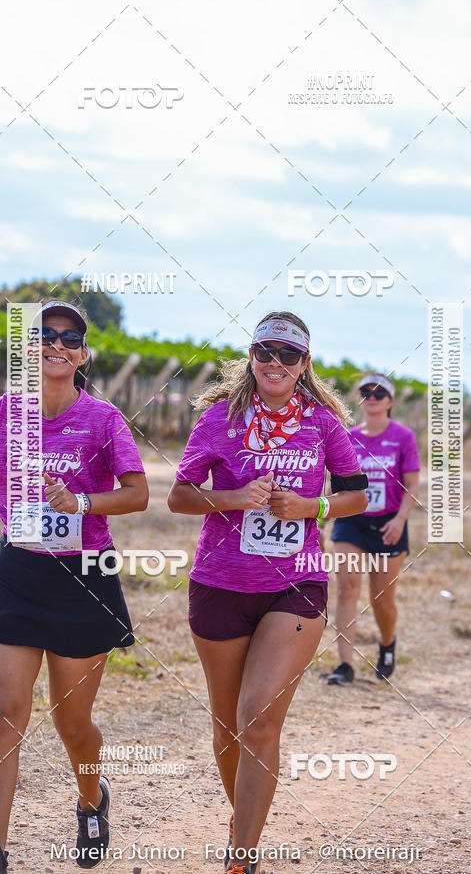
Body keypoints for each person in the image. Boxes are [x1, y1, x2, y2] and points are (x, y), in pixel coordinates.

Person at [0, 300, 148, 873]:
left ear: (83, 354)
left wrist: (81, 501)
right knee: (3, 714)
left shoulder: (104, 419)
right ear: (30, 350)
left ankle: (91, 799)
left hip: (85, 577)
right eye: (43, 335)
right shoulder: (5, 410)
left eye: (68, 337)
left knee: (71, 723)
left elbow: (137, 494)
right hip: (17, 570)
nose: (55, 343)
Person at [167, 311, 368, 874]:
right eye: (264, 351)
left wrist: (312, 507)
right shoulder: (218, 420)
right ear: (251, 358)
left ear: (305, 364)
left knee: (258, 718)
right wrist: (231, 498)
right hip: (219, 583)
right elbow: (180, 498)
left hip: (297, 584)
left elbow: (357, 496)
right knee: (228, 725)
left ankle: (242, 857)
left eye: (287, 353)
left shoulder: (323, 424)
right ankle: (244, 818)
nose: (274, 362)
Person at [327, 373, 420, 686]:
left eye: (380, 392)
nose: (372, 396)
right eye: (366, 391)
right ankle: (344, 665)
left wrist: (399, 520)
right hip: (352, 521)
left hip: (388, 524)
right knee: (346, 588)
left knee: (381, 599)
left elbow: (413, 485)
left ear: (391, 401)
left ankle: (387, 643)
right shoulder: (349, 437)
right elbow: (339, 481)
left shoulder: (403, 437)